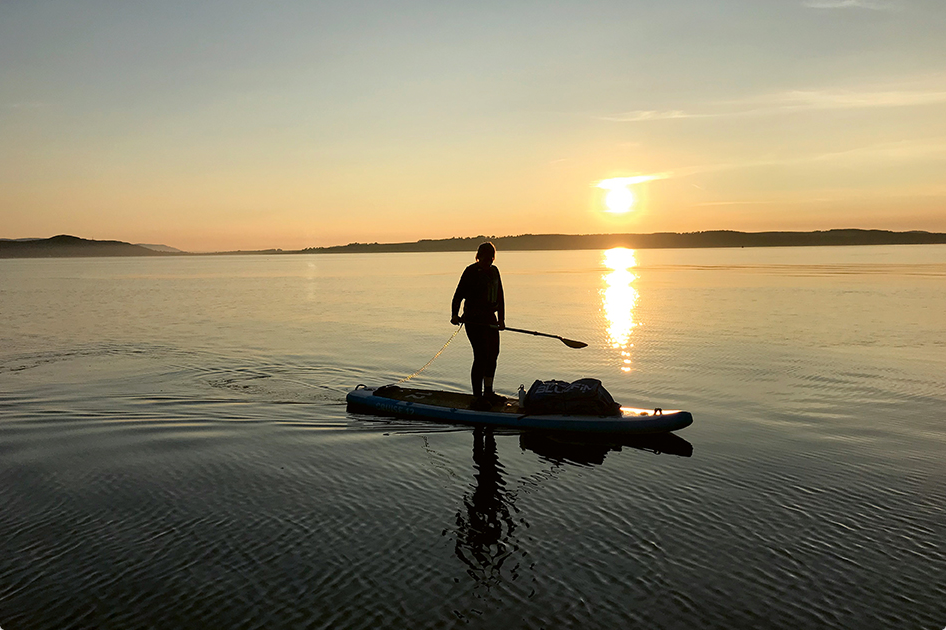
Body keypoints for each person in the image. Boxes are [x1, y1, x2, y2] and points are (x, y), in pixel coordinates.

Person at [451, 242, 505, 410]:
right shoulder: (471, 271)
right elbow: (458, 295)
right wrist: (454, 314)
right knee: (481, 356)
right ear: (478, 256)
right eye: (484, 258)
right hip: (473, 320)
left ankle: (488, 392)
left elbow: (500, 296)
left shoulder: (494, 271)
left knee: (493, 354)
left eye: (490, 259)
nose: (487, 261)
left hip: (490, 319)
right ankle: (477, 397)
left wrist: (501, 319)